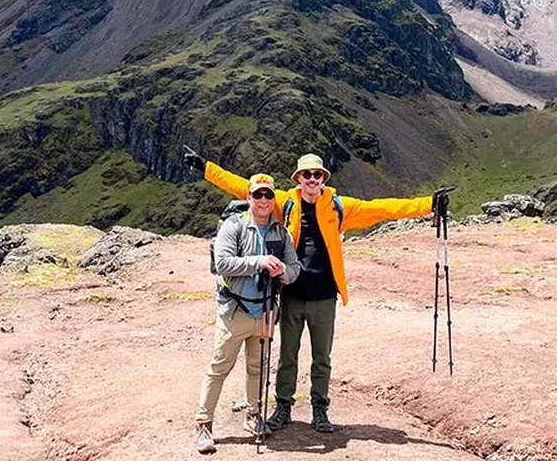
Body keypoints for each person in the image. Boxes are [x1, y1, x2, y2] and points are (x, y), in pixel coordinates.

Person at [185, 149, 450, 434]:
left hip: (325, 296)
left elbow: (382, 209)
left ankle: (320, 410)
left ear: (323, 178)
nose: (312, 179)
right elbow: (243, 187)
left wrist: (427, 204)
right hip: (291, 294)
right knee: (288, 355)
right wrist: (206, 168)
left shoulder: (338, 206)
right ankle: (283, 407)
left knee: (322, 358)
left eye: (317, 174)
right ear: (298, 179)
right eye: (306, 175)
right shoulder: (284, 202)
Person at [195, 172, 301, 454]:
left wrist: (284, 273)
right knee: (219, 367)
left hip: (266, 311)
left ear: (273, 198)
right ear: (249, 197)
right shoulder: (233, 227)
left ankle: (253, 416)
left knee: (258, 368)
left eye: (268, 195)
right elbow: (223, 263)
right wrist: (260, 261)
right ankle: (204, 423)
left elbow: (295, 267)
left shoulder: (281, 232)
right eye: (258, 194)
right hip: (235, 310)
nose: (263, 200)